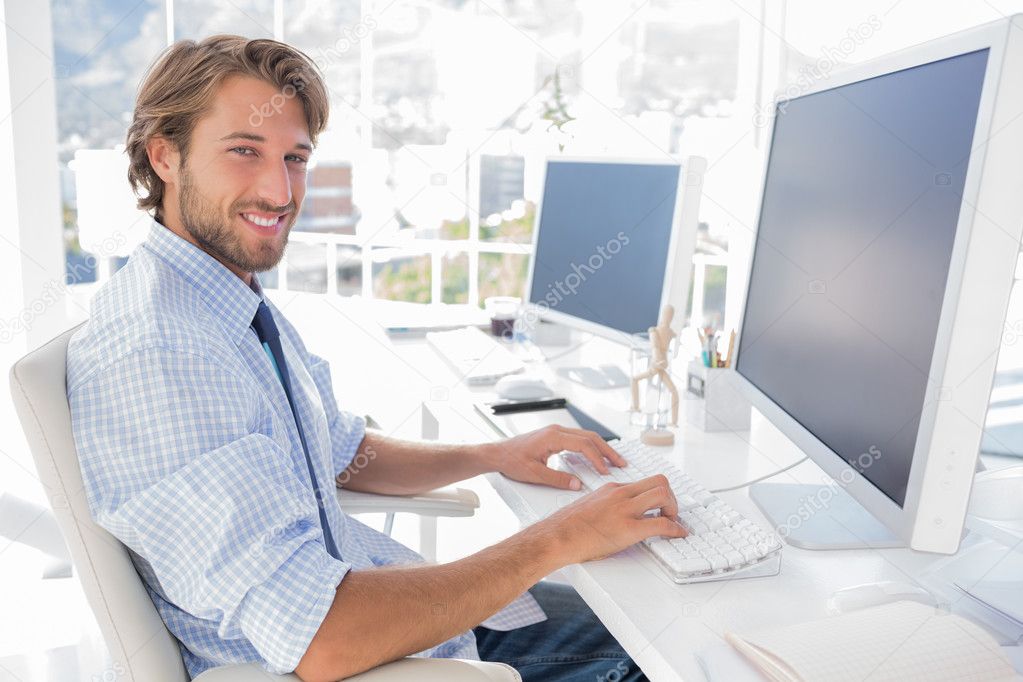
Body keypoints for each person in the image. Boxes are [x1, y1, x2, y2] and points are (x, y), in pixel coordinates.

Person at [66, 34, 684, 682]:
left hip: (398, 619)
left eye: (295, 158)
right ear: (164, 155)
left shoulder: (220, 297)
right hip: (370, 654)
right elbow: (321, 639)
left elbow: (335, 451)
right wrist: (560, 537)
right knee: (669, 649)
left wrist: (489, 457)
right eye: (244, 152)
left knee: (637, 608)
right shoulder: (164, 353)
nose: (279, 191)